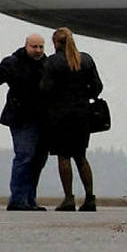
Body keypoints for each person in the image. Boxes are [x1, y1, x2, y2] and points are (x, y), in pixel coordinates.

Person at [0, 33, 49, 211]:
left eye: (41, 47)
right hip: (21, 117)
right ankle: (18, 199)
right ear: (26, 46)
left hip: (43, 119)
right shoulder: (13, 62)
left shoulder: (47, 64)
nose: (38, 50)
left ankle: (29, 199)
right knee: (24, 156)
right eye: (34, 47)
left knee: (38, 160)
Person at [39, 27, 101, 212]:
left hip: (60, 115)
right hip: (82, 114)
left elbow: (45, 89)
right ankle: (90, 198)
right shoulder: (86, 59)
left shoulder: (52, 62)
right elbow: (97, 86)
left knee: (63, 157)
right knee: (81, 157)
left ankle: (68, 198)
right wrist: (83, 95)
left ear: (55, 43)